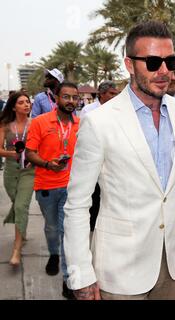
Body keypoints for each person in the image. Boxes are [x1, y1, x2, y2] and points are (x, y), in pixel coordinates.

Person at [63, 20, 175, 300]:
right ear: (129, 64)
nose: (164, 71)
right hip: (120, 270)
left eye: (170, 61)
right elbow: (78, 204)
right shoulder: (99, 122)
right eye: (152, 62)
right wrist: (81, 276)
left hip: (174, 262)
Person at [25, 82, 80, 299]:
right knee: (51, 228)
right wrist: (48, 164)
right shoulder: (40, 122)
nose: (71, 101)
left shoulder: (81, 123)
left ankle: (68, 280)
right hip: (46, 185)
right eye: (66, 97)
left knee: (67, 231)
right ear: (56, 98)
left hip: (71, 186)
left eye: (75, 98)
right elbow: (29, 153)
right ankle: (54, 254)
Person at [79, 81, 119, 231]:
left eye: (116, 94)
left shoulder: (117, 110)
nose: (115, 97)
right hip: (94, 157)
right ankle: (92, 223)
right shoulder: (89, 110)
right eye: (111, 93)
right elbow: (83, 134)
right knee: (95, 193)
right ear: (102, 94)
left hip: (113, 157)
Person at [0, 92, 35, 267]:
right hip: (10, 172)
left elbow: (41, 147)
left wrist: (33, 158)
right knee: (17, 204)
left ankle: (16, 249)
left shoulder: (35, 124)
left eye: (27, 102)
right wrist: (13, 154)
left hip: (29, 171)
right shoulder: (5, 125)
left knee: (21, 206)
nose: (26, 105)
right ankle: (22, 230)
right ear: (14, 107)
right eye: (21, 102)